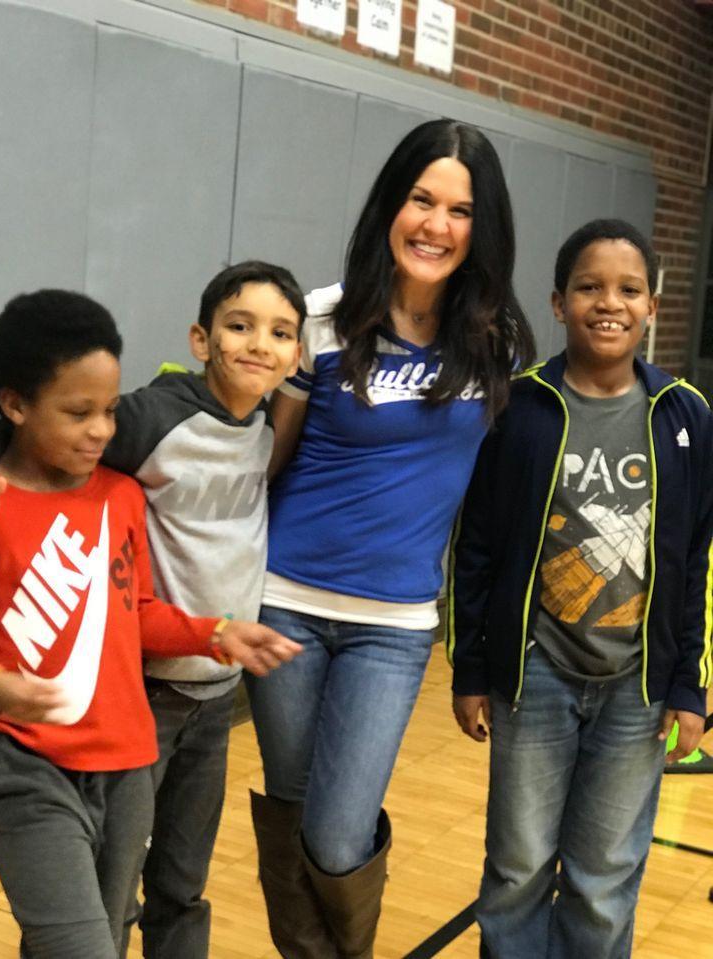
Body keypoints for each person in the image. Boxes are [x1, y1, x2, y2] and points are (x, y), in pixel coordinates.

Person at [245, 118, 536, 958]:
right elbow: (268, 461)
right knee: (293, 815)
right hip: (285, 607)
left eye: (460, 209)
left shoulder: (496, 341)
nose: (436, 224)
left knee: (337, 837)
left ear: (484, 228)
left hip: (396, 624)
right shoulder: (324, 319)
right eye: (421, 199)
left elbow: (488, 498)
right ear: (392, 204)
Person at [0, 289, 300, 959]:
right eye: (78, 413)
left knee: (104, 930)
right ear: (15, 405)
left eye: (108, 410)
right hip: (23, 763)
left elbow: (135, 615)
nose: (103, 430)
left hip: (128, 761)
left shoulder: (121, 495)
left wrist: (215, 633)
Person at [449, 218, 713, 959]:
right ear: (559, 302)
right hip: (534, 678)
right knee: (519, 865)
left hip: (639, 686)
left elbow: (698, 557)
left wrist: (691, 685)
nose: (610, 302)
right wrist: (472, 665)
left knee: (604, 876)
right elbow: (477, 546)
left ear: (652, 306)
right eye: (590, 286)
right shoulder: (520, 406)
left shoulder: (684, 415)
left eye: (629, 289)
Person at [99, 261, 306, 958]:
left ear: (296, 354)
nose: (259, 343)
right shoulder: (154, 415)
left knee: (182, 884)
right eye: (239, 325)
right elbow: (53, 429)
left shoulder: (267, 428)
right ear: (201, 337)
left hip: (216, 701)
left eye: (280, 332)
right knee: (109, 885)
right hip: (141, 695)